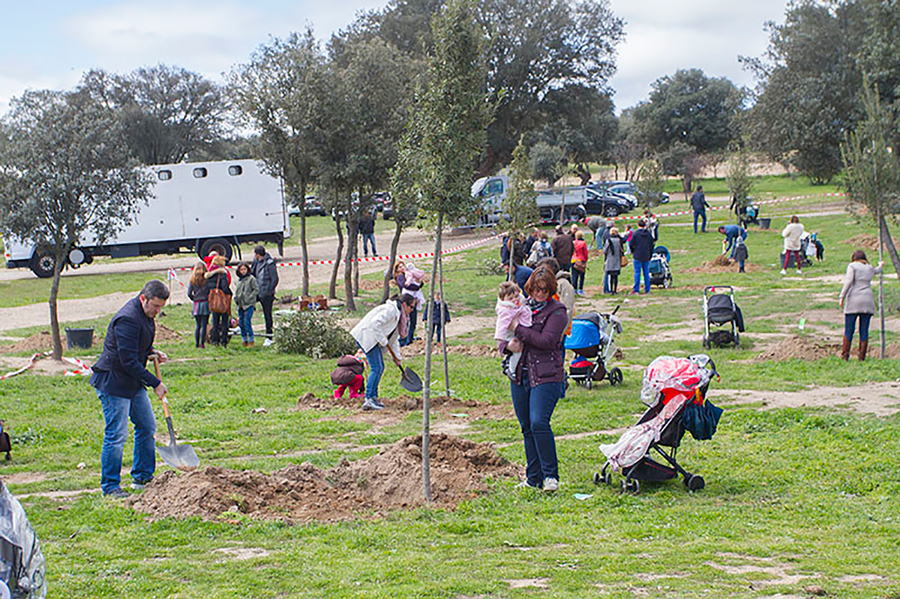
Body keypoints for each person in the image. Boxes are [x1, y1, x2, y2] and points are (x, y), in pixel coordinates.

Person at [90, 280, 170, 498]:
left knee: (146, 426)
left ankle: (142, 476)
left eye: (161, 307)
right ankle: (111, 486)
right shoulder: (127, 319)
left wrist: (153, 352)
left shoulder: (145, 316)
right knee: (116, 434)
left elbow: (138, 345)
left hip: (132, 381)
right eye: (155, 306)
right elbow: (128, 360)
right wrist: (155, 383)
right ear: (143, 298)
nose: (157, 311)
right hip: (114, 382)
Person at [504, 268, 567, 492]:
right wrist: (507, 345)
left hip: (546, 375)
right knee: (526, 427)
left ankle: (551, 476)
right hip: (520, 374)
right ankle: (533, 478)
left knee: (539, 422)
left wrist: (518, 329)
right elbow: (504, 334)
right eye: (536, 289)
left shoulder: (558, 311)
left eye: (544, 290)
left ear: (551, 290)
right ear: (529, 288)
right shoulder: (520, 307)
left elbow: (547, 341)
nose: (539, 294)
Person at [350, 294, 416, 410]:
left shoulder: (399, 316)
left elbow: (393, 339)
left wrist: (397, 357)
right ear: (404, 304)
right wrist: (383, 341)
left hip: (373, 339)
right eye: (411, 307)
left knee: (379, 367)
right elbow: (375, 323)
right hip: (366, 336)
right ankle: (369, 399)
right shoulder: (391, 310)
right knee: (377, 367)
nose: (412, 311)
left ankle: (373, 398)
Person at [839, 250, 884, 361]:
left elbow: (848, 281)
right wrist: (881, 265)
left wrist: (842, 296)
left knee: (849, 329)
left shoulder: (852, 266)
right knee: (864, 330)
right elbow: (877, 271)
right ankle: (862, 356)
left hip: (854, 301)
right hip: (867, 301)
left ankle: (845, 355)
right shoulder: (869, 267)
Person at [495, 282, 533, 378]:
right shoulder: (506, 310)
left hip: (521, 329)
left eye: (516, 296)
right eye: (510, 298)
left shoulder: (519, 304)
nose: (515, 300)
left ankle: (507, 360)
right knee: (517, 350)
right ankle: (511, 369)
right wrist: (500, 339)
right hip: (510, 333)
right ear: (503, 299)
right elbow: (501, 325)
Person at [252, 245, 279, 346]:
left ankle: (269, 336)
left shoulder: (269, 263)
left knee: (267, 314)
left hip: (266, 293)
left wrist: (269, 291)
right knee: (246, 305)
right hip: (257, 291)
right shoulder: (256, 262)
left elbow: (275, 278)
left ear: (259, 254)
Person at [394, 261, 425, 346]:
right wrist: (417, 286)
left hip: (413, 299)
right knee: (406, 321)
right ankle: (404, 340)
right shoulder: (400, 277)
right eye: (399, 267)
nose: (402, 268)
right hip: (406, 301)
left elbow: (419, 282)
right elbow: (407, 286)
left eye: (402, 266)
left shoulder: (409, 273)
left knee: (413, 320)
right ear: (397, 270)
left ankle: (410, 338)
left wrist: (419, 282)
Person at [205, 256, 233, 347]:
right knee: (224, 321)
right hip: (221, 300)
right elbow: (225, 287)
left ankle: (215, 341)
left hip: (213, 301)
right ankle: (224, 341)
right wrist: (230, 293)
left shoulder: (209, 274)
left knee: (215, 322)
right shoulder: (222, 274)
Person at [234, 261, 259, 347]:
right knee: (241, 323)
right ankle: (244, 339)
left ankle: (251, 340)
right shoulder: (239, 281)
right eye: (241, 269)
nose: (243, 271)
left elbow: (256, 290)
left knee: (247, 322)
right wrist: (236, 298)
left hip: (249, 304)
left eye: (244, 269)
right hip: (240, 304)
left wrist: (250, 298)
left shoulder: (251, 279)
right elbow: (237, 291)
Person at [187, 261, 211, 349]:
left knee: (198, 325)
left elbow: (189, 293)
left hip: (197, 304)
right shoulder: (206, 279)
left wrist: (194, 299)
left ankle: (197, 343)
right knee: (204, 324)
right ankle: (202, 343)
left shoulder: (192, 280)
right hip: (205, 303)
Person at [629, 219, 655, 294]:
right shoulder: (648, 234)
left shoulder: (635, 234)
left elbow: (631, 244)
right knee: (646, 273)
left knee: (637, 273)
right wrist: (650, 254)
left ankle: (636, 289)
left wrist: (633, 251)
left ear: (638, 225)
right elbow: (652, 245)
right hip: (646, 255)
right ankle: (647, 289)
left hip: (637, 255)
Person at [603, 227, 623, 294]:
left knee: (611, 276)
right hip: (617, 260)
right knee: (616, 276)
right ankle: (615, 289)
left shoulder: (608, 240)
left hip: (610, 260)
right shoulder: (619, 240)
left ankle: (611, 289)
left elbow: (605, 250)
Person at [571, 231, 589, 295]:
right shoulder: (583, 243)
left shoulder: (573, 242)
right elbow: (585, 252)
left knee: (574, 275)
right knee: (581, 275)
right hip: (581, 259)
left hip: (574, 260)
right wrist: (586, 259)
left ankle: (574, 289)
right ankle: (580, 289)